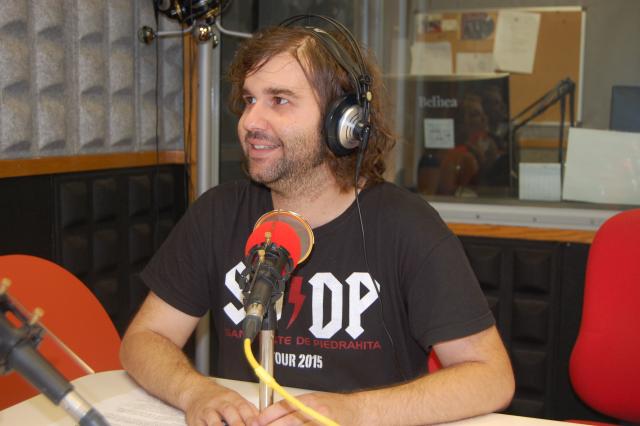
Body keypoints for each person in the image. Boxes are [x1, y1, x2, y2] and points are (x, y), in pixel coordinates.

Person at [120, 19, 515, 426]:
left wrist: (354, 411)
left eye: (279, 100)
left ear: (343, 122)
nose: (250, 121)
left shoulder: (407, 227)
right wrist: (195, 392)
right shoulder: (218, 214)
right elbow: (144, 339)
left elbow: (491, 377)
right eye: (249, 99)